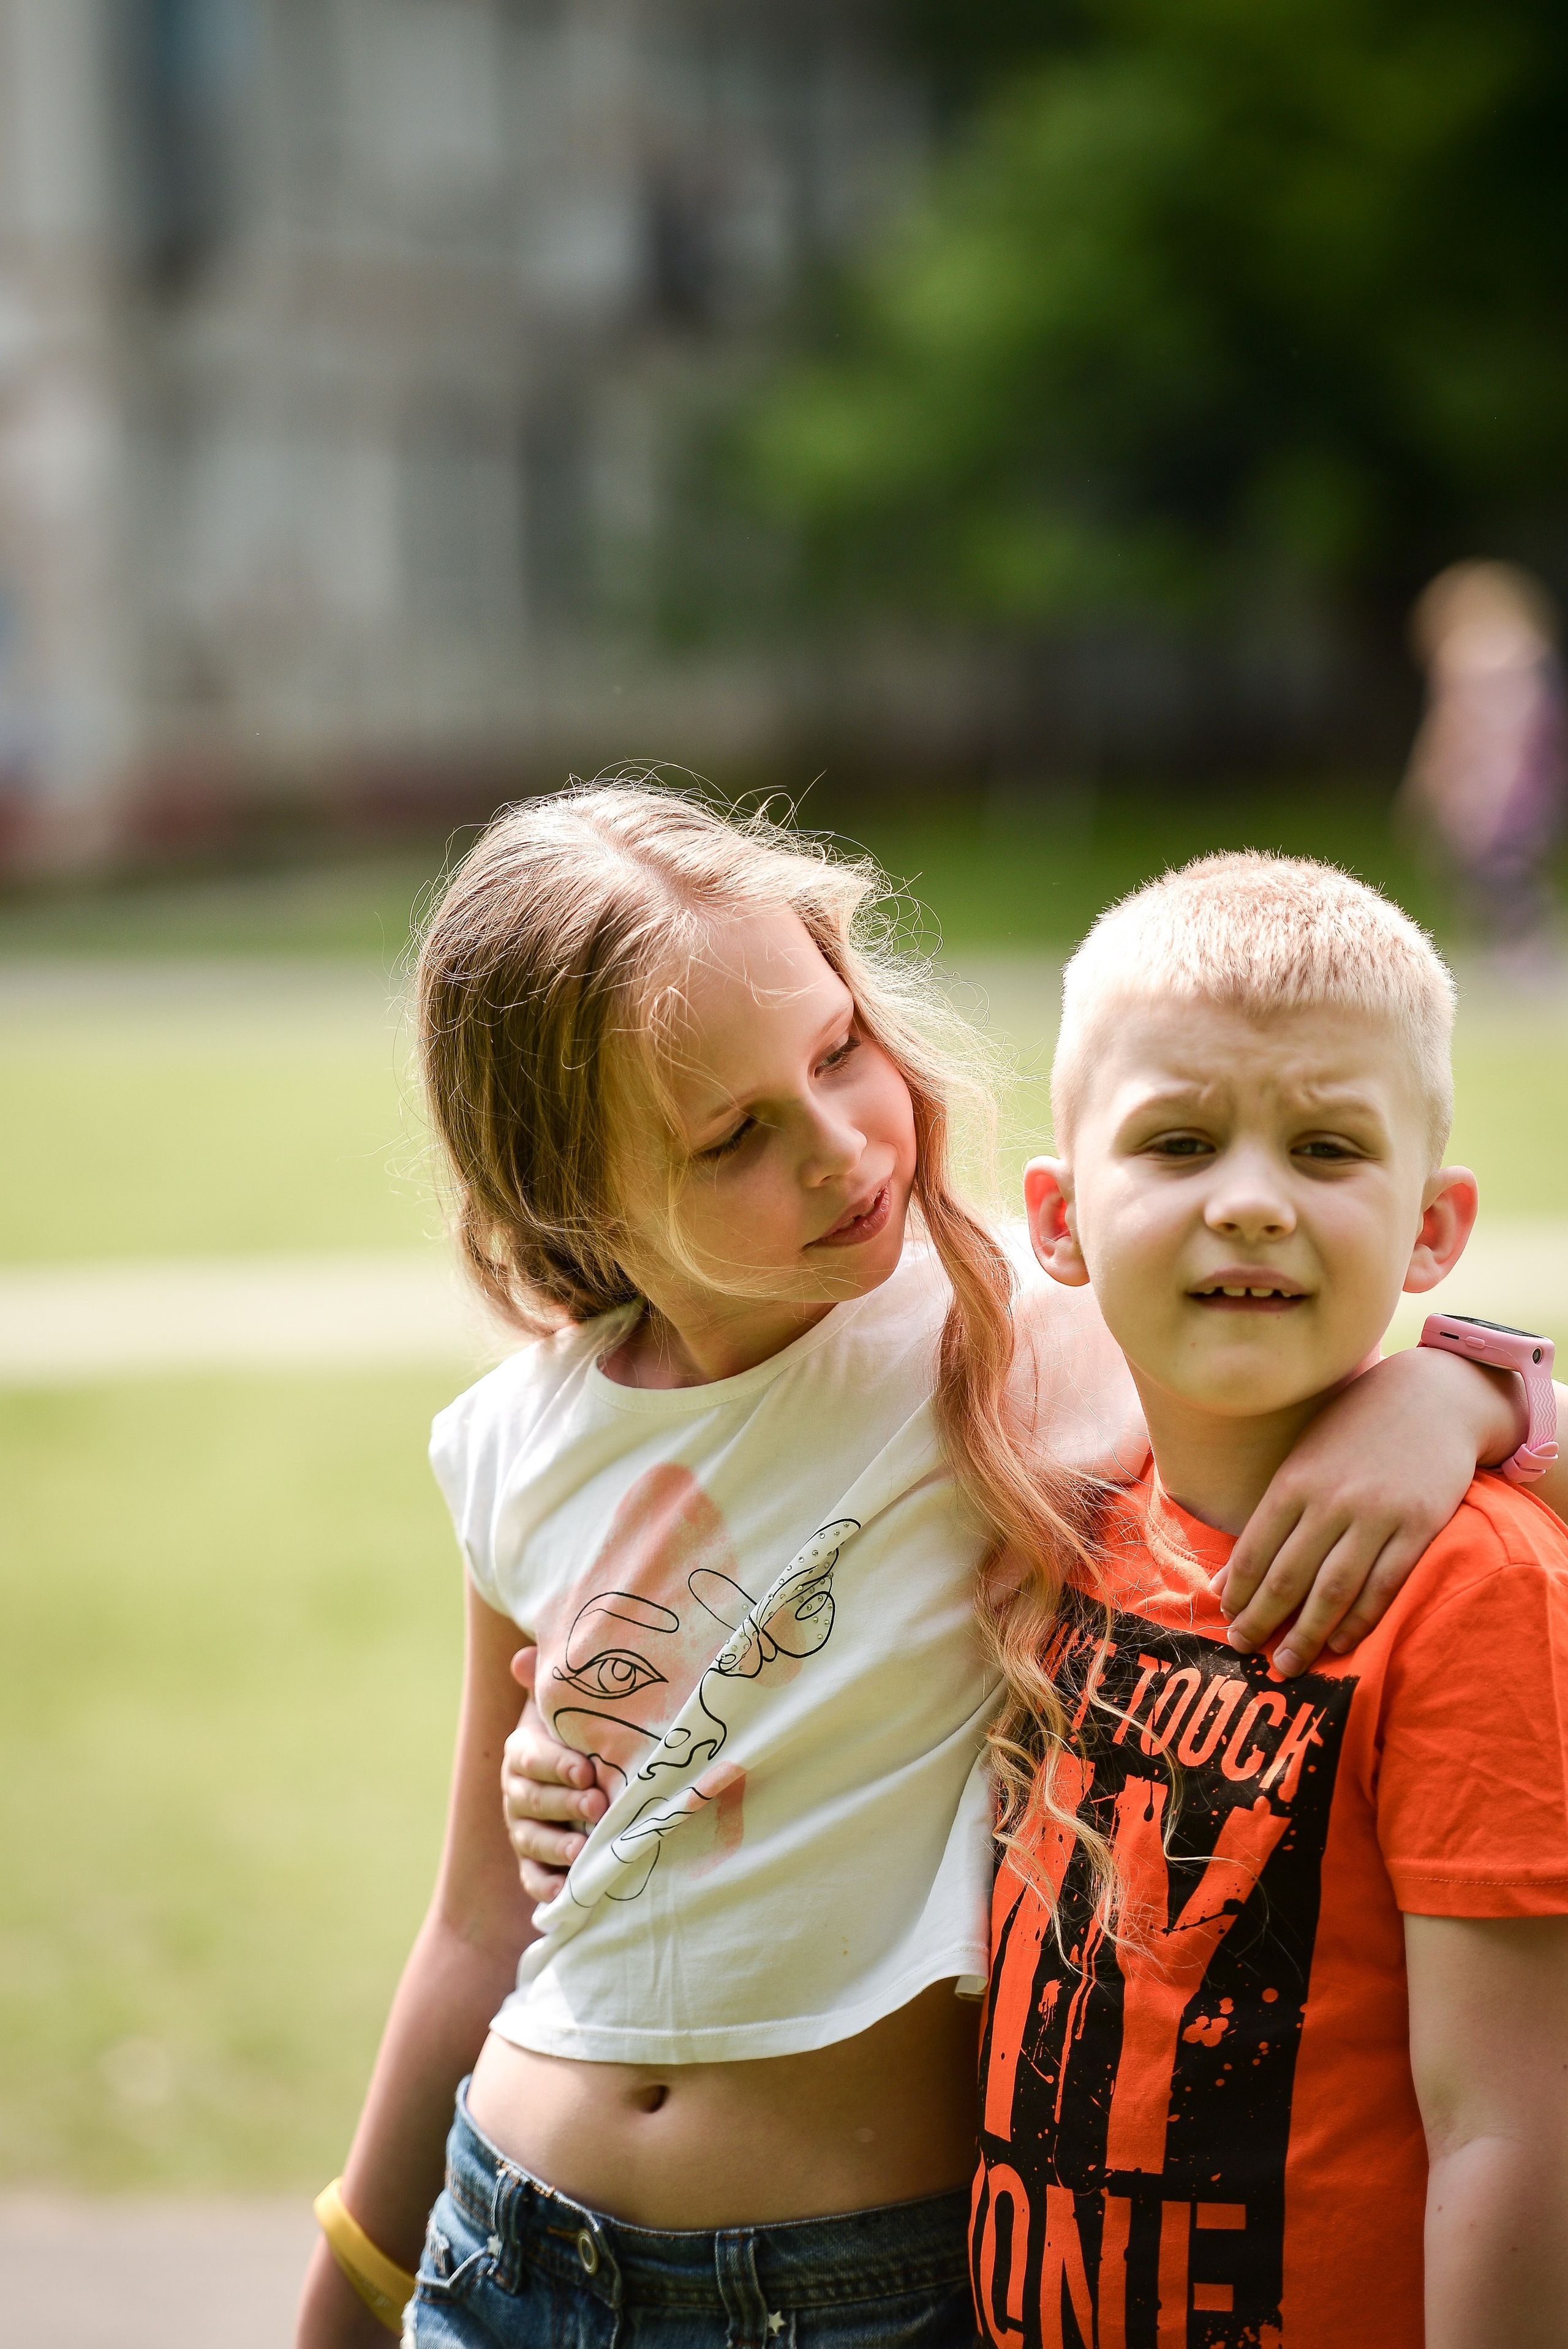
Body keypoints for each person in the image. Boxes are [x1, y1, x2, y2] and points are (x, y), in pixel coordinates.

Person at [298, 786, 1549, 2349]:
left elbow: (1299, 1280)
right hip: (505, 2242)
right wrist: (355, 2267)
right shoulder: (513, 1440)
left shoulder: (1024, 1337)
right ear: (578, 1194)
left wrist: (1468, 1383)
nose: (837, 1145)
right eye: (732, 1132)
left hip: (843, 2287)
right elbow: (479, 1925)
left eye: (835, 1050)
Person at [976, 851, 1568, 2347]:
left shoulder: (1469, 1581)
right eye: (1176, 1142)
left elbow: (1509, 2127)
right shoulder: (1056, 1519)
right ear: (1058, 1217)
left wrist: (1482, 1387)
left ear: (1431, 1228)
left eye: (1322, 1148)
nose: (1248, 1201)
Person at [1401, 559, 1567, 968]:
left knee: (1486, 873)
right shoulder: (1531, 653)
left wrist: (1424, 785)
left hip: (1481, 787)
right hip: (1528, 783)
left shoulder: (1462, 653)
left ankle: (1524, 957)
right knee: (1509, 869)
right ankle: (1522, 955)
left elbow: (1448, 733)